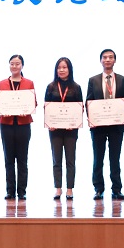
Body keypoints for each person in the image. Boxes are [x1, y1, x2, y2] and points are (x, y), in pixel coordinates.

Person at [86, 49, 124, 201]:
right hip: (98, 126)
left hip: (116, 126)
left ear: (115, 60)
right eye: (104, 57)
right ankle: (98, 189)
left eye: (110, 57)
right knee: (98, 159)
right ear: (100, 61)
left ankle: (117, 190)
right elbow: (89, 101)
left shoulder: (123, 80)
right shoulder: (93, 80)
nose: (107, 60)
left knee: (115, 159)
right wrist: (91, 117)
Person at [0, 54, 37, 200]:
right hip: (6, 125)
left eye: (17, 64)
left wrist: (28, 108)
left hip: (23, 124)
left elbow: (34, 102)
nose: (14, 66)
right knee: (9, 159)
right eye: (12, 63)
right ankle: (10, 190)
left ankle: (22, 191)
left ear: (22, 66)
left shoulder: (29, 83)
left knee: (22, 159)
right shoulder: (1, 84)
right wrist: (2, 109)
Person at [44, 57, 83, 200]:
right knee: (56, 160)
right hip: (54, 129)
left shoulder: (76, 87)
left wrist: (74, 122)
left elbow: (80, 107)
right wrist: (49, 122)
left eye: (64, 67)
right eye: (59, 67)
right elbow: (46, 107)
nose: (61, 70)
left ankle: (70, 189)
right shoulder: (50, 87)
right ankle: (58, 188)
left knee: (70, 159)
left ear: (69, 69)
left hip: (71, 130)